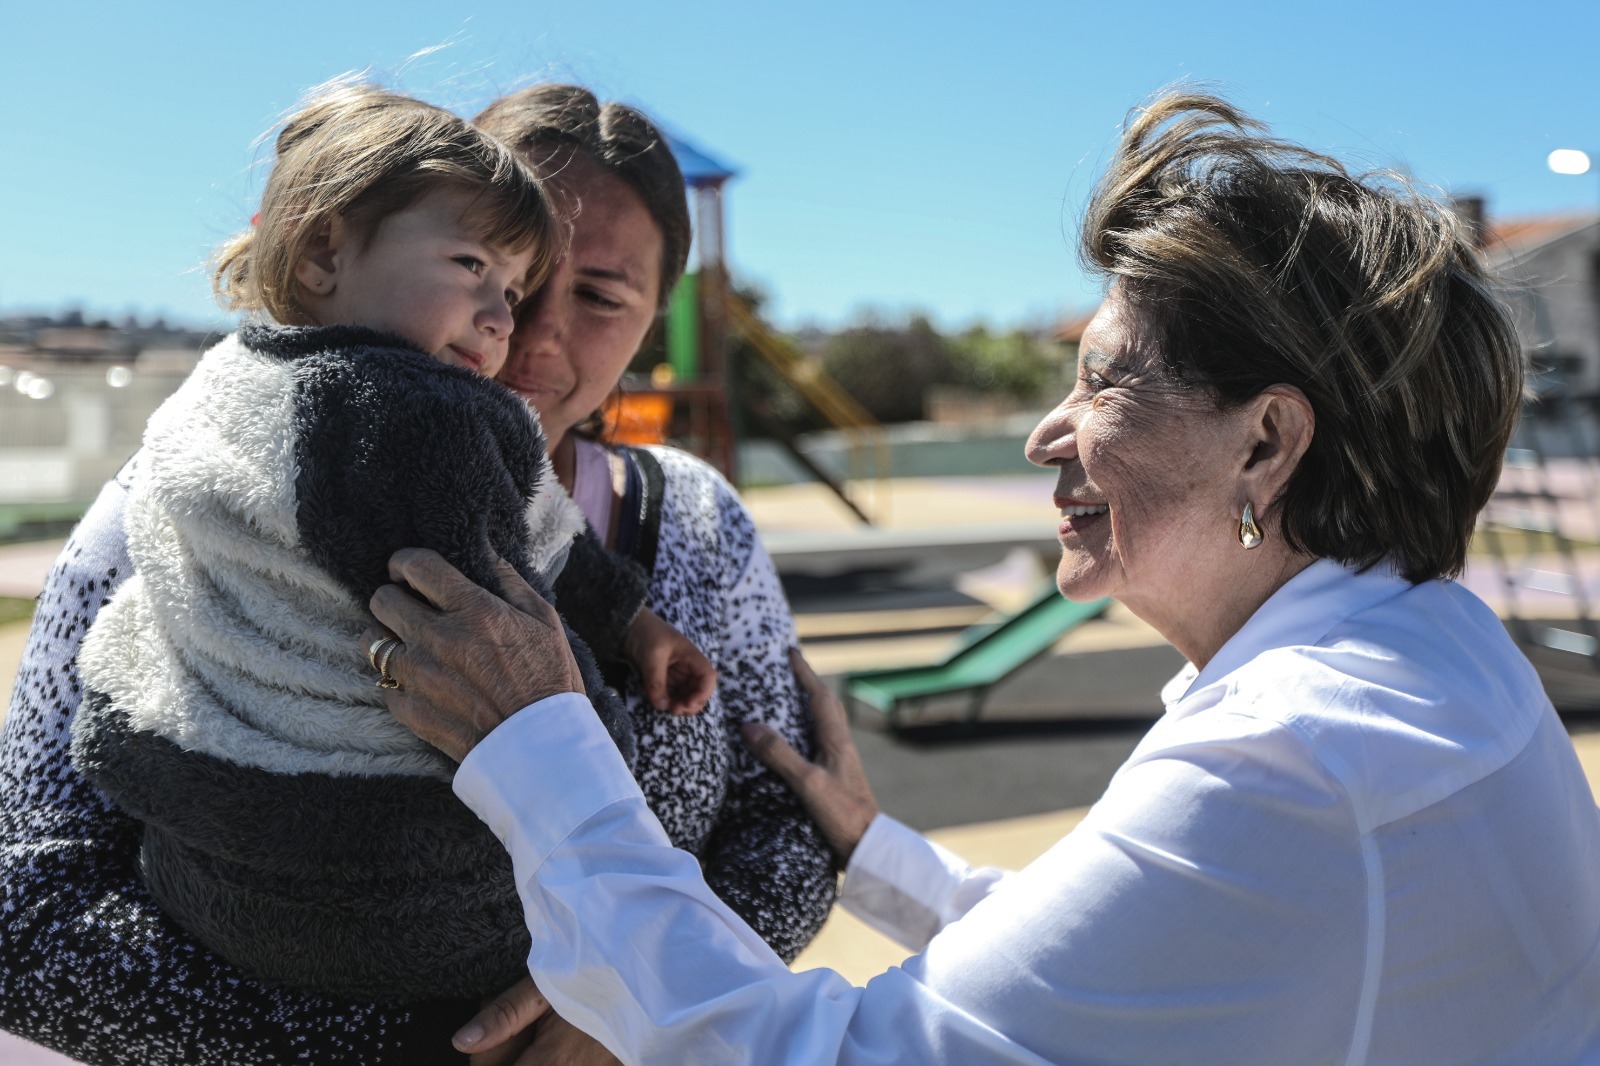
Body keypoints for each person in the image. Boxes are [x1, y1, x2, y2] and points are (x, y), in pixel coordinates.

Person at [370, 90, 1600, 1064]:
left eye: (1105, 381)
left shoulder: (1300, 756)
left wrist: (538, 743)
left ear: (1267, 443)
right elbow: (1135, 974)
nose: (1043, 434)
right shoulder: (1427, 662)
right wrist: (875, 849)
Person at [0, 83, 834, 1063]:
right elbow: (22, 907)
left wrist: (639, 1005)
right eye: (482, 269)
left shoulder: (695, 521)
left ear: (652, 324)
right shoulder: (198, 494)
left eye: (598, 295)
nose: (519, 329)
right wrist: (410, 1042)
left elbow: (797, 827)